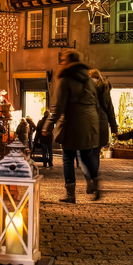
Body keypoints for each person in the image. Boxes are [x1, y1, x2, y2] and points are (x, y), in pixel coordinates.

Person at [42, 52, 101, 202]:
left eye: (63, 61)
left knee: (68, 157)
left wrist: (48, 124)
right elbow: (96, 103)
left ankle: (70, 194)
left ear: (67, 62)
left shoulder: (65, 79)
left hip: (73, 121)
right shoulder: (88, 80)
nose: (61, 63)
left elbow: (58, 106)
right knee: (87, 155)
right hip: (90, 121)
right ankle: (95, 182)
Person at [88, 68, 118, 194]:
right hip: (101, 124)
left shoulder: (87, 87)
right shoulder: (105, 89)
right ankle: (94, 179)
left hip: (88, 123)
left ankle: (91, 180)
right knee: (95, 153)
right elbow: (110, 109)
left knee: (86, 153)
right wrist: (114, 127)